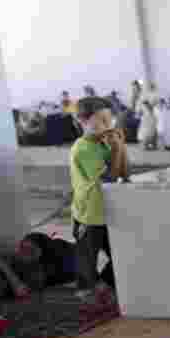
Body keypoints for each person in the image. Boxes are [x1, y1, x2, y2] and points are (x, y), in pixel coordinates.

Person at [70, 97, 129, 307]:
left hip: (108, 212)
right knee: (87, 259)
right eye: (101, 120)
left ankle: (102, 286)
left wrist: (120, 147)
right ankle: (86, 295)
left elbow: (123, 173)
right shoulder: (84, 148)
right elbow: (110, 179)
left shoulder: (104, 143)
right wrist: (115, 149)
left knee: (122, 252)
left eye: (109, 120)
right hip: (89, 215)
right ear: (82, 121)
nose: (107, 125)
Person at [138, 82, 160, 150]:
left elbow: (144, 103)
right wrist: (149, 107)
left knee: (150, 129)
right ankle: (150, 144)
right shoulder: (152, 94)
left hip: (150, 114)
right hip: (149, 114)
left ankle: (151, 144)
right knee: (150, 129)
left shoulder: (151, 94)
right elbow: (144, 103)